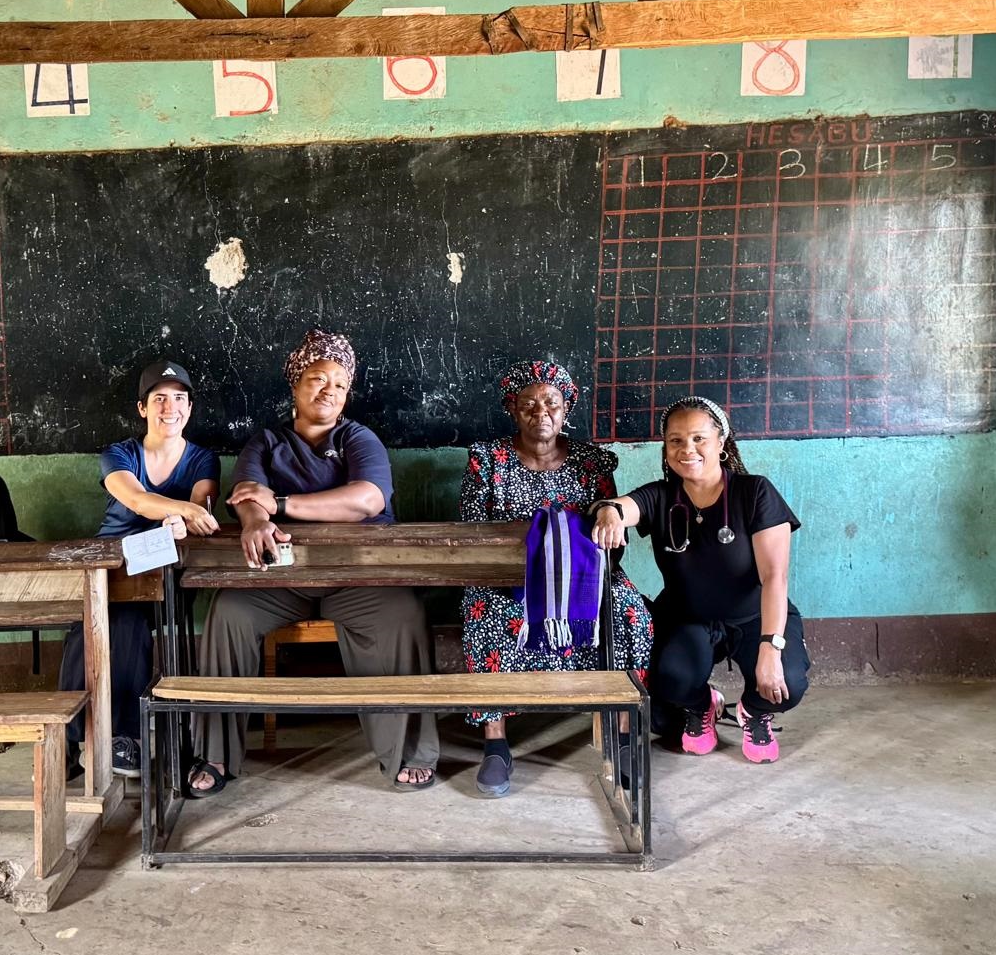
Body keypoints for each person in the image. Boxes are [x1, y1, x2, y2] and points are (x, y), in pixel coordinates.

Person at [188, 328, 440, 795]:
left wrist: (279, 504)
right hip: (282, 577)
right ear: (295, 384)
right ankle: (216, 754)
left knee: (404, 613)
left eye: (340, 384)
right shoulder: (266, 442)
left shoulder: (358, 439)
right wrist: (252, 521)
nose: (329, 390)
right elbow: (245, 495)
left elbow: (366, 499)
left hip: (358, 578)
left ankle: (407, 753)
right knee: (228, 614)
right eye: (318, 378)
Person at [458, 359, 653, 797]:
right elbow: (472, 530)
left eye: (551, 402)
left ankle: (620, 731)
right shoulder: (488, 460)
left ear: (566, 410)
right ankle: (495, 744)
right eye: (528, 403)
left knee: (629, 613)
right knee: (486, 612)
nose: (540, 411)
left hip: (582, 577)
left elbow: (612, 534)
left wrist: (595, 526)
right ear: (513, 408)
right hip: (508, 578)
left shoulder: (589, 461)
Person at [590, 396, 811, 764]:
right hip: (688, 618)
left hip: (754, 616)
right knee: (670, 687)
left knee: (786, 685)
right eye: (675, 440)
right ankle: (702, 705)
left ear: (721, 443)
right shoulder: (661, 496)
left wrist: (770, 649)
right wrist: (609, 512)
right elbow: (621, 506)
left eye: (698, 438)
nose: (686, 449)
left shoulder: (754, 492)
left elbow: (775, 577)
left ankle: (753, 713)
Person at [59, 359, 220, 778]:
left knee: (127, 622)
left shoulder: (203, 459)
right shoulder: (119, 453)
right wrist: (180, 510)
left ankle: (121, 738)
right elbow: (136, 499)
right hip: (112, 563)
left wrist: (187, 518)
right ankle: (70, 734)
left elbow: (204, 506)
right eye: (160, 399)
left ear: (190, 407)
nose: (171, 407)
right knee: (88, 623)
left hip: (165, 568)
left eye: (180, 399)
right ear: (143, 408)